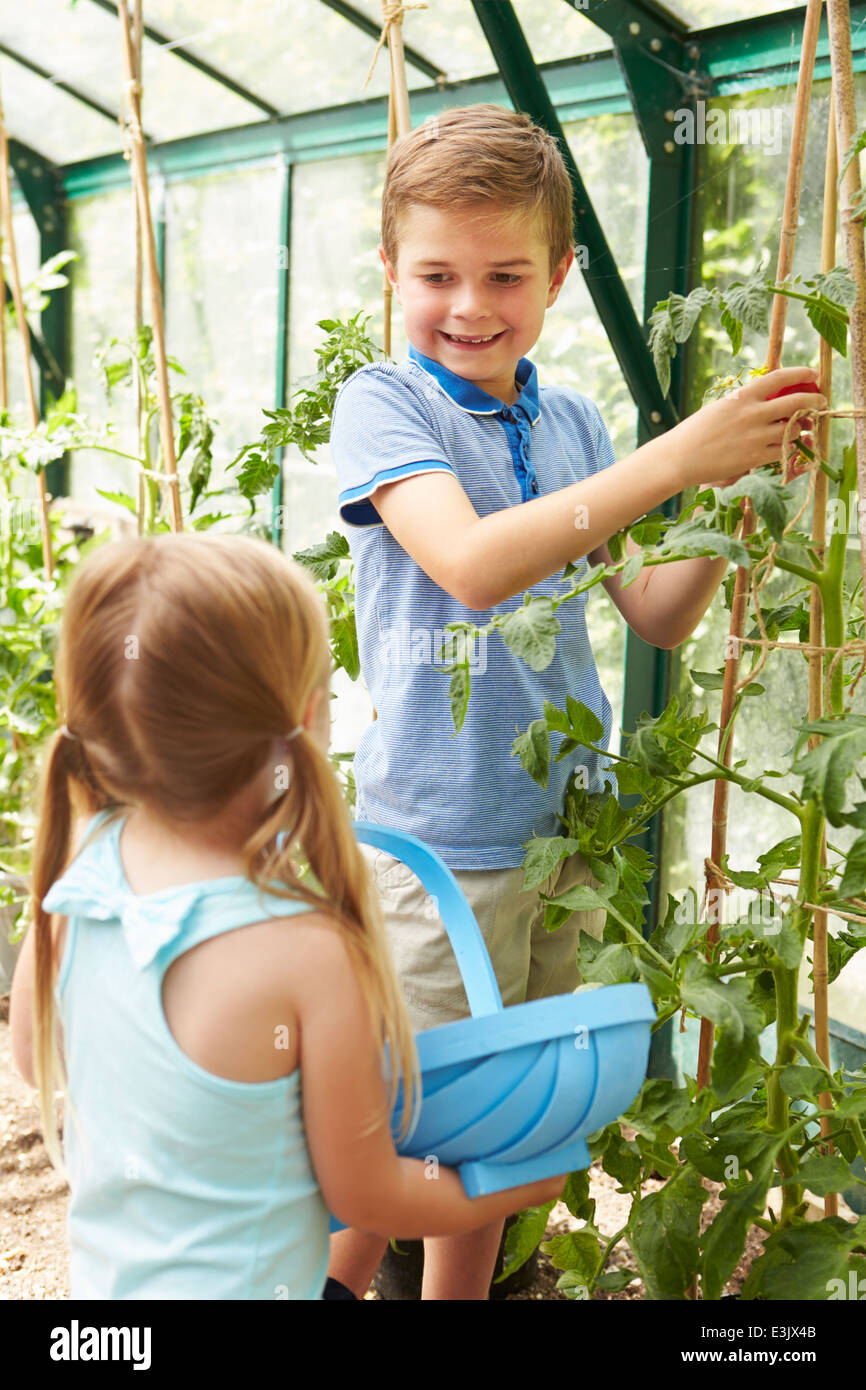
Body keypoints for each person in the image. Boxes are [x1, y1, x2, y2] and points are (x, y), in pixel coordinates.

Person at [327, 102, 823, 1300]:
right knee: (416, 1113)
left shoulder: (573, 421)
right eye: (436, 273)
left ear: (558, 275)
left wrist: (727, 501)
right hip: (436, 846)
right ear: (388, 269)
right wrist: (671, 461)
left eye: (505, 273)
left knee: (513, 1112)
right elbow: (472, 562)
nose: (469, 305)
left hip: (565, 830)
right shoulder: (386, 406)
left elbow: (651, 610)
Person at [9, 532, 568, 1300]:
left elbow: (36, 1053)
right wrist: (517, 1183)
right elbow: (366, 1196)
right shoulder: (305, 950)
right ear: (310, 715)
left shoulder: (82, 874)